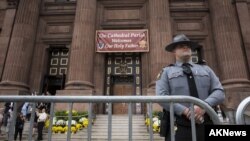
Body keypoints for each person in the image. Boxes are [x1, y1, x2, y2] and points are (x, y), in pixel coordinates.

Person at [156, 34, 225, 141]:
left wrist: (203, 106)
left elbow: (219, 92)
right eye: (181, 46)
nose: (185, 47)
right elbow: (161, 96)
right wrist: (185, 111)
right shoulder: (166, 72)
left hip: (206, 121)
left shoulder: (206, 69)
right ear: (174, 51)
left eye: (188, 45)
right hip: (179, 125)